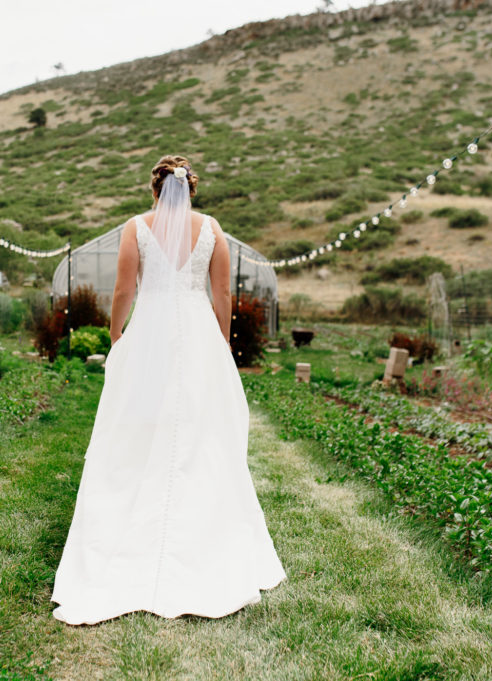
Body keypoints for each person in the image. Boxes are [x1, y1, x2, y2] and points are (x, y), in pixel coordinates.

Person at [51, 155, 285, 625]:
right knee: (201, 429)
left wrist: (118, 336)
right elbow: (222, 295)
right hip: (197, 330)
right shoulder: (212, 228)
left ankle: (134, 515)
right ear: (191, 189)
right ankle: (200, 526)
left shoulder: (136, 227)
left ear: (154, 190)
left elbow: (123, 292)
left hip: (151, 332)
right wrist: (221, 341)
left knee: (137, 423)